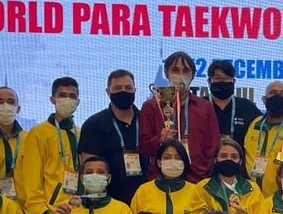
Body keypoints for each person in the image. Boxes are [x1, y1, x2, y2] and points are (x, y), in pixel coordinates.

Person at [139, 51, 220, 182]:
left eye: (186, 70)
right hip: (160, 180)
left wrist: (203, 172)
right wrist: (159, 139)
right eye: (175, 70)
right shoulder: (152, 106)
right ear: (166, 73)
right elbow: (143, 148)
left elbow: (213, 146)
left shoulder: (205, 107)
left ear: (192, 75)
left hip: (196, 180)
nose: (181, 75)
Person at [16, 76, 82, 214]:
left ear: (78, 101)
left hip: (78, 212)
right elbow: (31, 179)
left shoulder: (80, 133)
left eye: (72, 96)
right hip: (51, 213)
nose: (67, 99)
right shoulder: (38, 133)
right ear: (53, 99)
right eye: (62, 95)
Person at [78, 69, 146, 205]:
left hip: (147, 199)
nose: (123, 92)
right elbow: (88, 168)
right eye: (117, 88)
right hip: (108, 203)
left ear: (135, 91)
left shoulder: (147, 120)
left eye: (128, 88)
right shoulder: (93, 124)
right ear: (108, 92)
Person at [206, 59, 262, 148]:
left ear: (234, 82)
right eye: (218, 78)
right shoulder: (199, 105)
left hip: (238, 160)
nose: (223, 82)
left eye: (227, 78)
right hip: (206, 160)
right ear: (209, 82)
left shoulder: (248, 107)